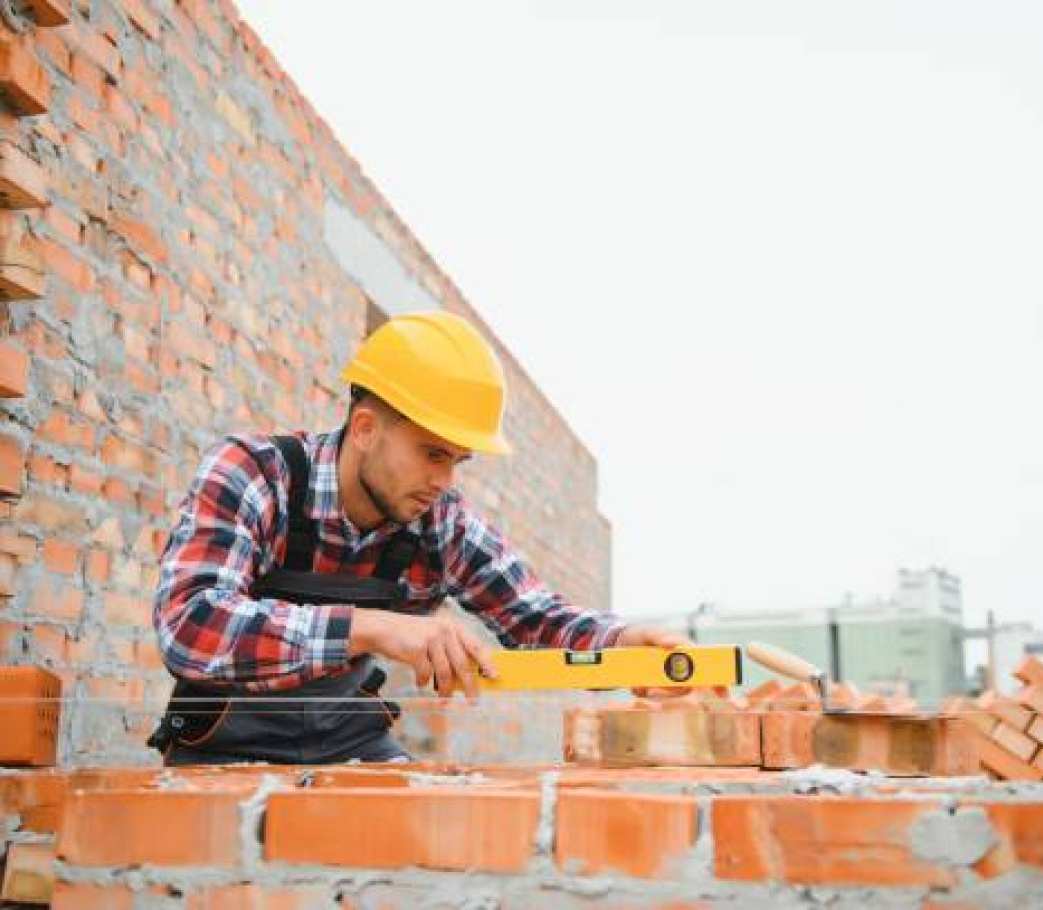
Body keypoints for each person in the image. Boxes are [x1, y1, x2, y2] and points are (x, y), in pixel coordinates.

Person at [148, 310, 688, 765]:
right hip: (219, 746)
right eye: (432, 453)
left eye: (457, 461)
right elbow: (190, 625)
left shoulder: (441, 522)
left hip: (349, 742)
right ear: (364, 429)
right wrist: (376, 629)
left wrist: (625, 644)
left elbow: (538, 618)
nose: (444, 481)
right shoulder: (253, 474)